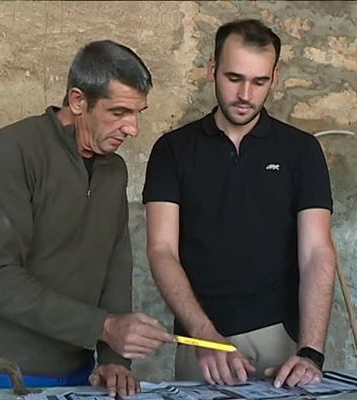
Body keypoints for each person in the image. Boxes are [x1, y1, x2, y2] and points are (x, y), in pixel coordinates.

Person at [0, 40, 174, 396]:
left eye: (137, 114)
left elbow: (115, 268)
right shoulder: (13, 151)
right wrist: (104, 326)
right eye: (118, 113)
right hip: (1, 370)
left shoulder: (113, 170)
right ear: (78, 100)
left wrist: (114, 358)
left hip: (78, 370)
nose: (132, 128)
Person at [143, 19, 336, 388]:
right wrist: (203, 334)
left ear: (274, 78)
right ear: (211, 69)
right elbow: (161, 249)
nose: (246, 94)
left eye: (259, 81)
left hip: (282, 340)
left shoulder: (301, 150)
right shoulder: (172, 150)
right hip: (202, 342)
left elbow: (316, 251)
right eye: (234, 78)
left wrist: (311, 351)